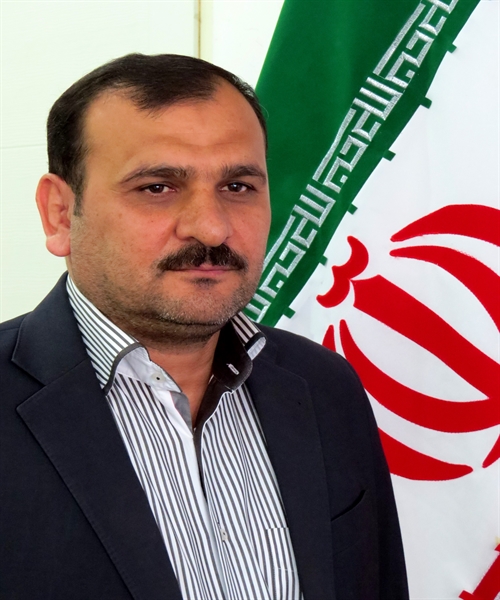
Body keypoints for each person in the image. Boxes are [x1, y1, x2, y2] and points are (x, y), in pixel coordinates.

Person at [0, 54, 409, 600]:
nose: (212, 227)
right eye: (157, 187)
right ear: (58, 213)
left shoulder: (324, 387)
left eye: (238, 186)